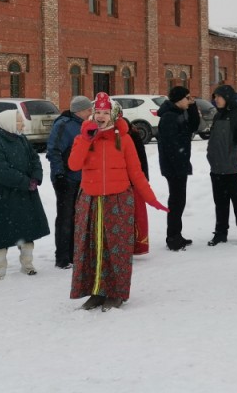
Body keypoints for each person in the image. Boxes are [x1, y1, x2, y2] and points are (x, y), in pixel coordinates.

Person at [68, 93, 168, 311]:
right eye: (98, 112)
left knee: (117, 249)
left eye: (105, 112)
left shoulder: (125, 140)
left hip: (118, 200)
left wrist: (152, 200)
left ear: (112, 115)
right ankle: (96, 291)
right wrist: (86, 139)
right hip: (91, 200)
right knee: (92, 248)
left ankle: (116, 293)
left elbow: (136, 174)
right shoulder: (82, 138)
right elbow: (74, 165)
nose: (101, 116)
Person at [0, 109, 50, 280]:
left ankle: (27, 264)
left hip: (24, 194)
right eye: (19, 121)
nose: (23, 124)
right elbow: (0, 171)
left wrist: (36, 177)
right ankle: (0, 269)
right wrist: (24, 182)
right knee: (1, 233)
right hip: (2, 196)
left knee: (26, 230)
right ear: (9, 123)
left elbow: (35, 159)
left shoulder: (22, 139)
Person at [46, 95, 93, 268]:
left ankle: (75, 253)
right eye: (88, 109)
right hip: (65, 178)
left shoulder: (85, 125)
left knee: (78, 216)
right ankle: (62, 257)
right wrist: (59, 175)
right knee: (65, 217)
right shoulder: (63, 125)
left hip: (81, 178)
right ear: (79, 110)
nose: (91, 112)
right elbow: (54, 151)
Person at [206, 84, 237, 246]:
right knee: (220, 203)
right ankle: (220, 233)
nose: (215, 100)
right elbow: (213, 141)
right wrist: (211, 157)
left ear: (227, 98)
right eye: (215, 97)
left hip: (234, 170)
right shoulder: (218, 116)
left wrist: (233, 163)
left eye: (218, 97)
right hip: (217, 168)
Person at [157, 85, 200, 251]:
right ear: (178, 99)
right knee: (176, 202)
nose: (189, 100)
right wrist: (178, 167)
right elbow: (170, 146)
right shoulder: (169, 117)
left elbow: (194, 127)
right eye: (187, 98)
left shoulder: (179, 113)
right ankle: (172, 237)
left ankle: (176, 234)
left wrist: (193, 106)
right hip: (174, 167)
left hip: (179, 165)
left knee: (178, 201)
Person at [116, 105, 151, 255]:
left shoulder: (130, 132)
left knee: (134, 214)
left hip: (132, 181)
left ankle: (134, 244)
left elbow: (140, 159)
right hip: (118, 181)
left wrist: (142, 179)